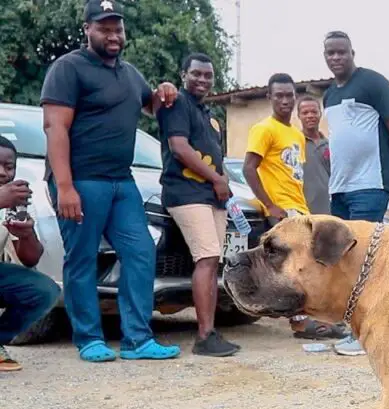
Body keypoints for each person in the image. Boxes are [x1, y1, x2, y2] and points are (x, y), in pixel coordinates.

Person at [40, 0, 181, 363]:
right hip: (82, 181)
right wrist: (65, 186)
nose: (113, 34)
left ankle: (137, 339)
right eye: (104, 28)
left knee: (140, 252)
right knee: (83, 258)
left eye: (117, 28)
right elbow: (55, 128)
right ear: (87, 29)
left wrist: (164, 91)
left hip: (122, 181)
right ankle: (88, 338)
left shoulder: (130, 73)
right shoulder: (68, 68)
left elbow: (150, 105)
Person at [244, 74, 342, 344]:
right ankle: (300, 322)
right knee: (291, 266)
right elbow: (249, 168)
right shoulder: (264, 129)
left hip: (298, 207)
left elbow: (293, 174)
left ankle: (310, 318)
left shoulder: (296, 135)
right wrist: (270, 205)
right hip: (281, 210)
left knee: (304, 264)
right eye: (279, 96)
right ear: (270, 98)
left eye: (290, 95)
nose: (285, 100)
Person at [157, 53, 239, 357]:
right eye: (196, 74)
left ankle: (212, 332)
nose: (203, 79)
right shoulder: (176, 103)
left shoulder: (209, 115)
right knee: (206, 258)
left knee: (213, 259)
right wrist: (217, 180)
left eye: (208, 75)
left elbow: (215, 154)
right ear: (183, 75)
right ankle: (204, 336)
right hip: (187, 193)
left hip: (210, 196)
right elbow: (179, 148)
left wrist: (224, 183)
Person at [321, 31, 389, 222]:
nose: (336, 57)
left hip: (370, 185)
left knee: (361, 246)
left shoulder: (373, 82)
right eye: (331, 53)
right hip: (339, 188)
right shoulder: (329, 95)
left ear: (352, 53)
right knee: (342, 250)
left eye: (341, 52)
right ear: (325, 56)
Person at [0, 137, 62, 372]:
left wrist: (26, 235)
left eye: (9, 166)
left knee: (44, 290)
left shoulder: (12, 201)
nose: (3, 173)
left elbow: (30, 259)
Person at [297, 95, 331, 216]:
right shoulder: (294, 144)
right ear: (299, 116)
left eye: (314, 112)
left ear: (320, 114)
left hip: (328, 210)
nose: (310, 115)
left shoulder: (329, 144)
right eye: (305, 112)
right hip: (302, 210)